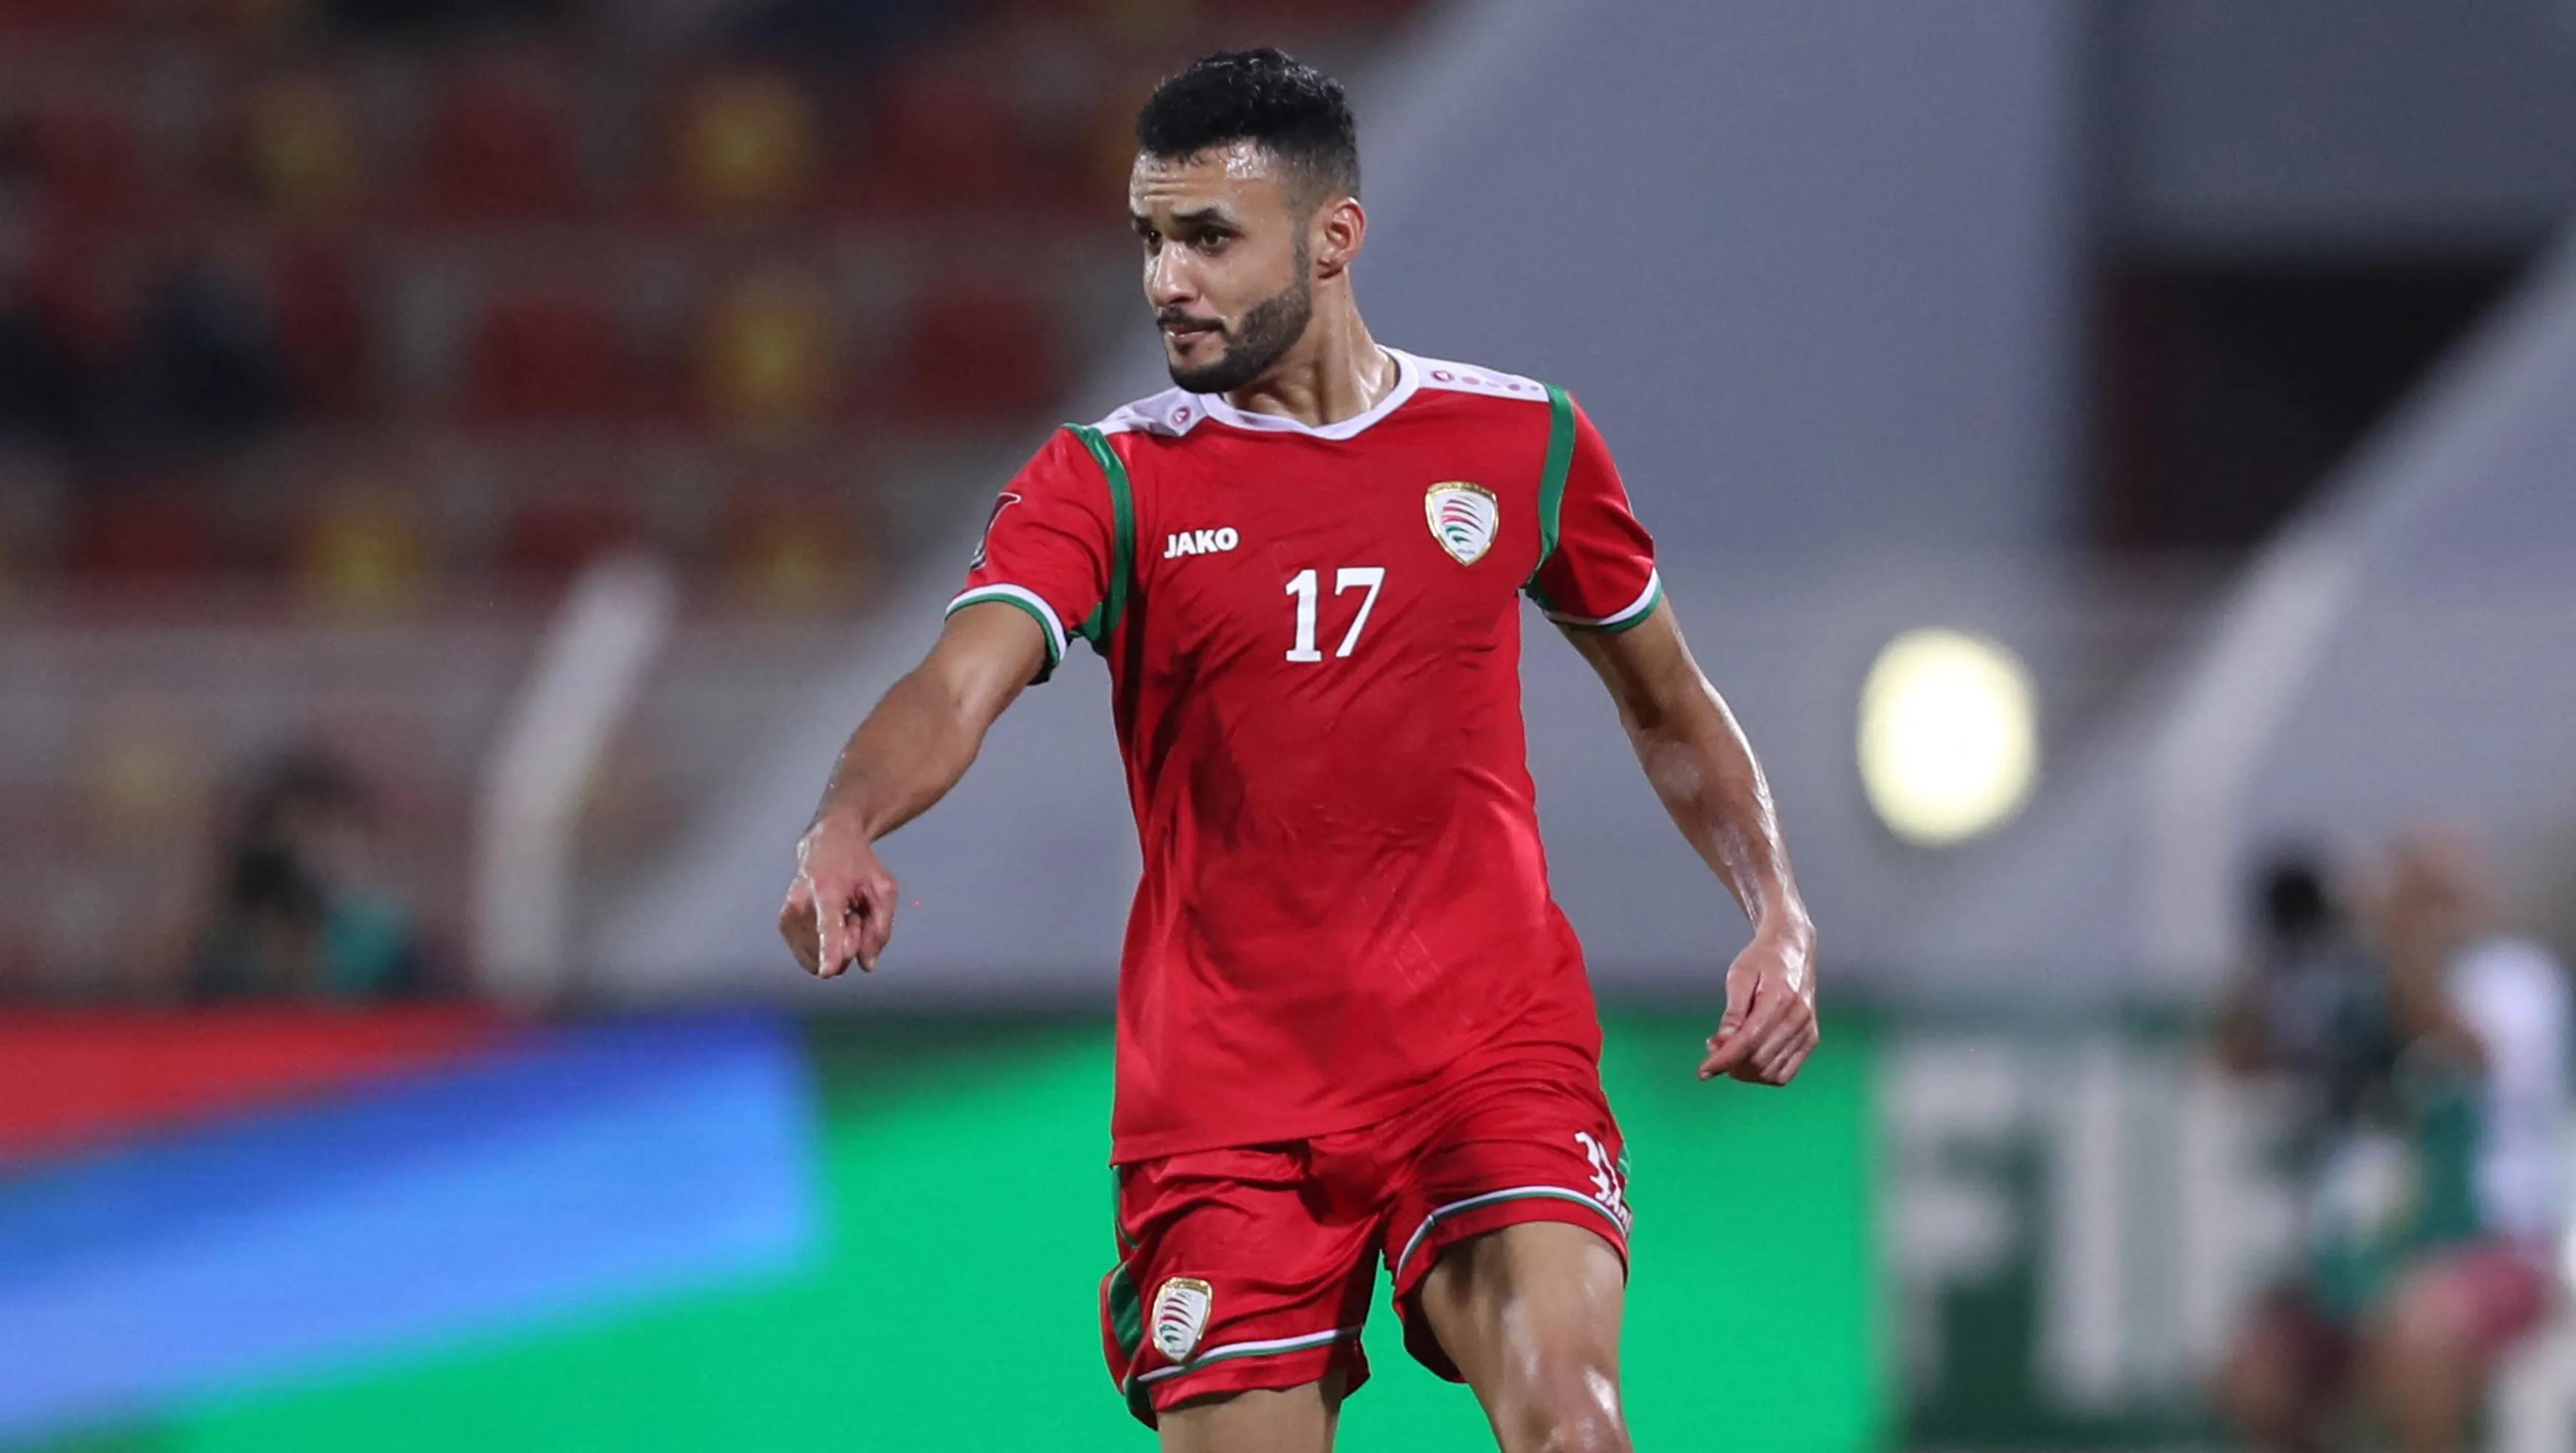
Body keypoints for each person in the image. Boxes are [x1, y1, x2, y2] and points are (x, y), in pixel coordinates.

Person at [779, 49, 1816, 1453]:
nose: (1167, 282)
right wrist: (847, 819)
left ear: (1335, 239)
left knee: (1577, 1426)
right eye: (1151, 240)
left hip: (1486, 1052)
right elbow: (956, 683)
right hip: (1227, 1103)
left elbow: (1670, 701)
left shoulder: (1521, 441)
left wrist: (1777, 911)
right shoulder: (1110, 480)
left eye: (1208, 238)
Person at [2215, 828, 2568, 1453]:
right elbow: (2233, 1059)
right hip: (2363, 1255)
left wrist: (2398, 940)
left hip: (2494, 1246)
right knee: (2257, 1373)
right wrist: (2284, 950)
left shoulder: (2515, 979)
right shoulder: (2349, 985)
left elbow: (2464, 1047)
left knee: (2418, 1333)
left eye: (2436, 896)